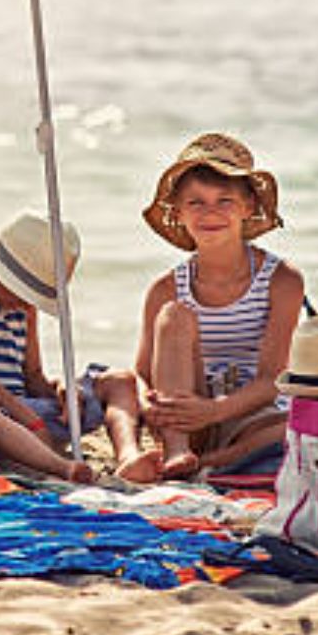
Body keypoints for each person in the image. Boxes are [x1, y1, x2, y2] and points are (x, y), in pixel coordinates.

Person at [120, 132, 305, 482]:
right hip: (186, 418)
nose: (211, 213)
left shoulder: (282, 280)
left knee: (299, 427)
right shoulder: (165, 288)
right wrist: (155, 407)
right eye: (196, 202)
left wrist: (214, 411)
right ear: (177, 211)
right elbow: (142, 374)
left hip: (252, 415)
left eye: (225, 201)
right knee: (174, 316)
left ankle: (216, 462)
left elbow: (272, 381)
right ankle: (177, 452)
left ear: (248, 206)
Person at [0, 210, 142, 482]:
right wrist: (27, 418)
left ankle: (129, 455)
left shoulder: (25, 308)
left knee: (120, 381)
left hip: (25, 408)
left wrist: (61, 390)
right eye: (22, 291)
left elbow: (32, 374)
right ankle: (44, 457)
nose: (26, 301)